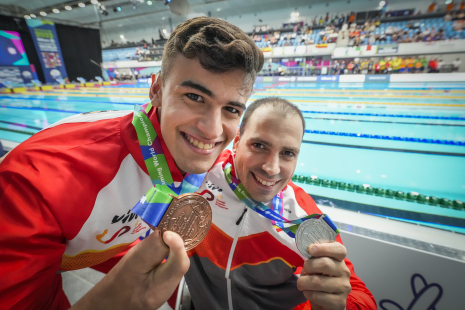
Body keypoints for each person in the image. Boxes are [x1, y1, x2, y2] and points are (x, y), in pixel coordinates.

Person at [0, 17, 264, 309]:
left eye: (230, 109)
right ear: (157, 91)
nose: (213, 131)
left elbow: (265, 180)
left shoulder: (209, 156)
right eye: (194, 97)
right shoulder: (42, 181)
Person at [182, 97, 377, 310]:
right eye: (259, 146)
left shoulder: (305, 220)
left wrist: (341, 304)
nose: (271, 168)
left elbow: (361, 296)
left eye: (287, 153)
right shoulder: (198, 177)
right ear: (237, 142)